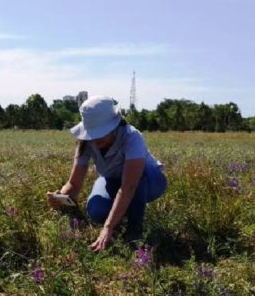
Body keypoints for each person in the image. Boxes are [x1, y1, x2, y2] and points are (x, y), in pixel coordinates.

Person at [47, 96, 166, 251]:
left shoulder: (132, 137)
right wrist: (60, 197)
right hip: (114, 180)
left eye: (100, 133)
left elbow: (129, 186)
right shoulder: (85, 143)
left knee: (137, 184)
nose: (95, 139)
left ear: (114, 125)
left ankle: (134, 233)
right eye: (92, 134)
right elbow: (73, 184)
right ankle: (123, 213)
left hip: (150, 180)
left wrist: (108, 227)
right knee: (97, 210)